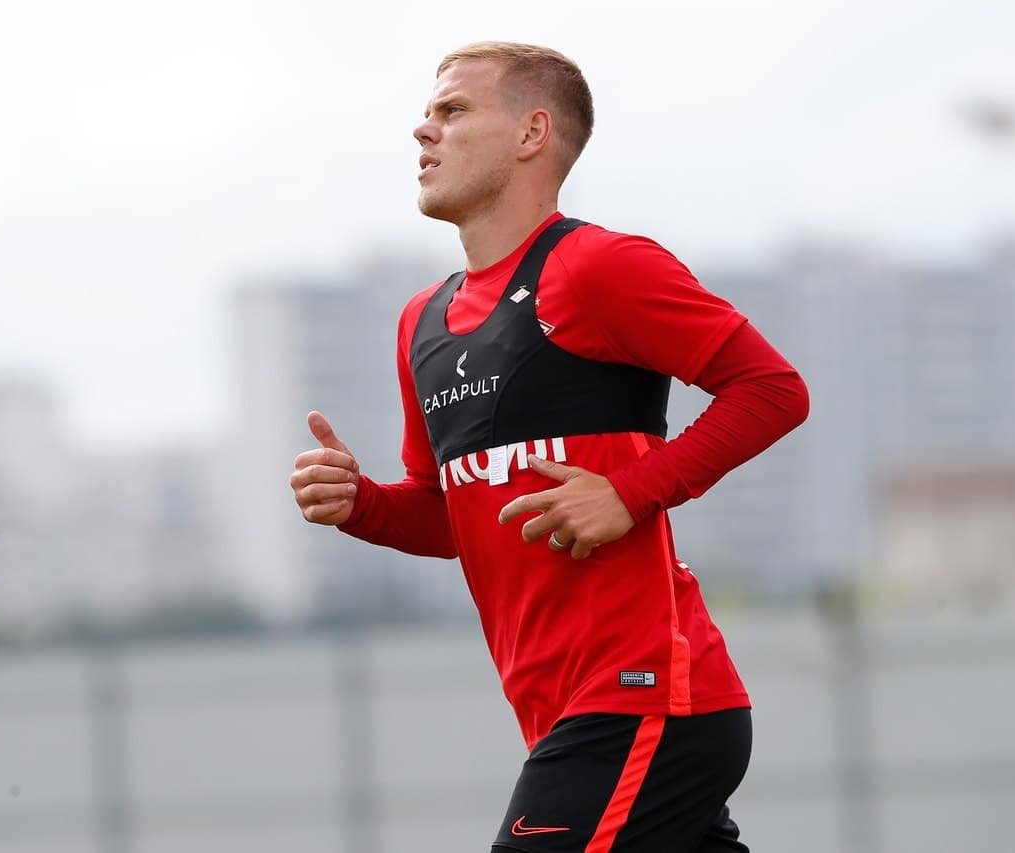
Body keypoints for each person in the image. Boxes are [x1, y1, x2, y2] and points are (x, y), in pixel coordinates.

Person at [289, 41, 810, 853]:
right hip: (562, 713)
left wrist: (629, 491)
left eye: (453, 110)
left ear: (532, 133)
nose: (424, 130)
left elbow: (773, 390)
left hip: (645, 697)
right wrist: (360, 505)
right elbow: (450, 517)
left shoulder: (599, 267)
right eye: (426, 113)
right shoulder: (420, 322)